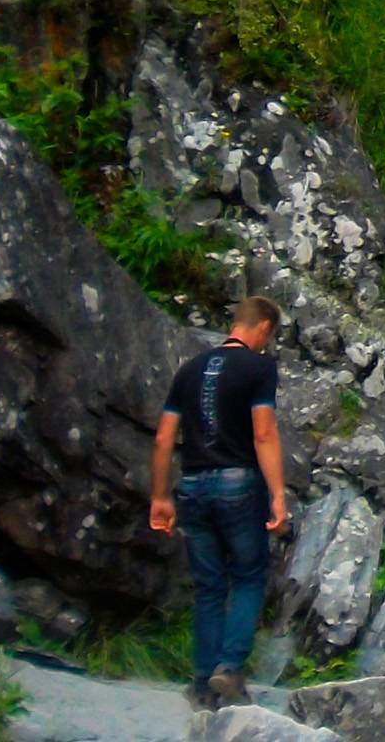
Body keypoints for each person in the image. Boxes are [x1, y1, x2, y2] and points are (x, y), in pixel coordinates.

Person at [150, 296, 290, 712]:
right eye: (271, 335)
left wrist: (159, 496)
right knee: (248, 577)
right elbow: (263, 433)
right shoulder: (259, 368)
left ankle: (202, 684)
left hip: (192, 486)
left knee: (209, 587)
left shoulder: (188, 371)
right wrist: (278, 495)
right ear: (263, 328)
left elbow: (162, 439)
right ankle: (228, 668)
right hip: (238, 484)